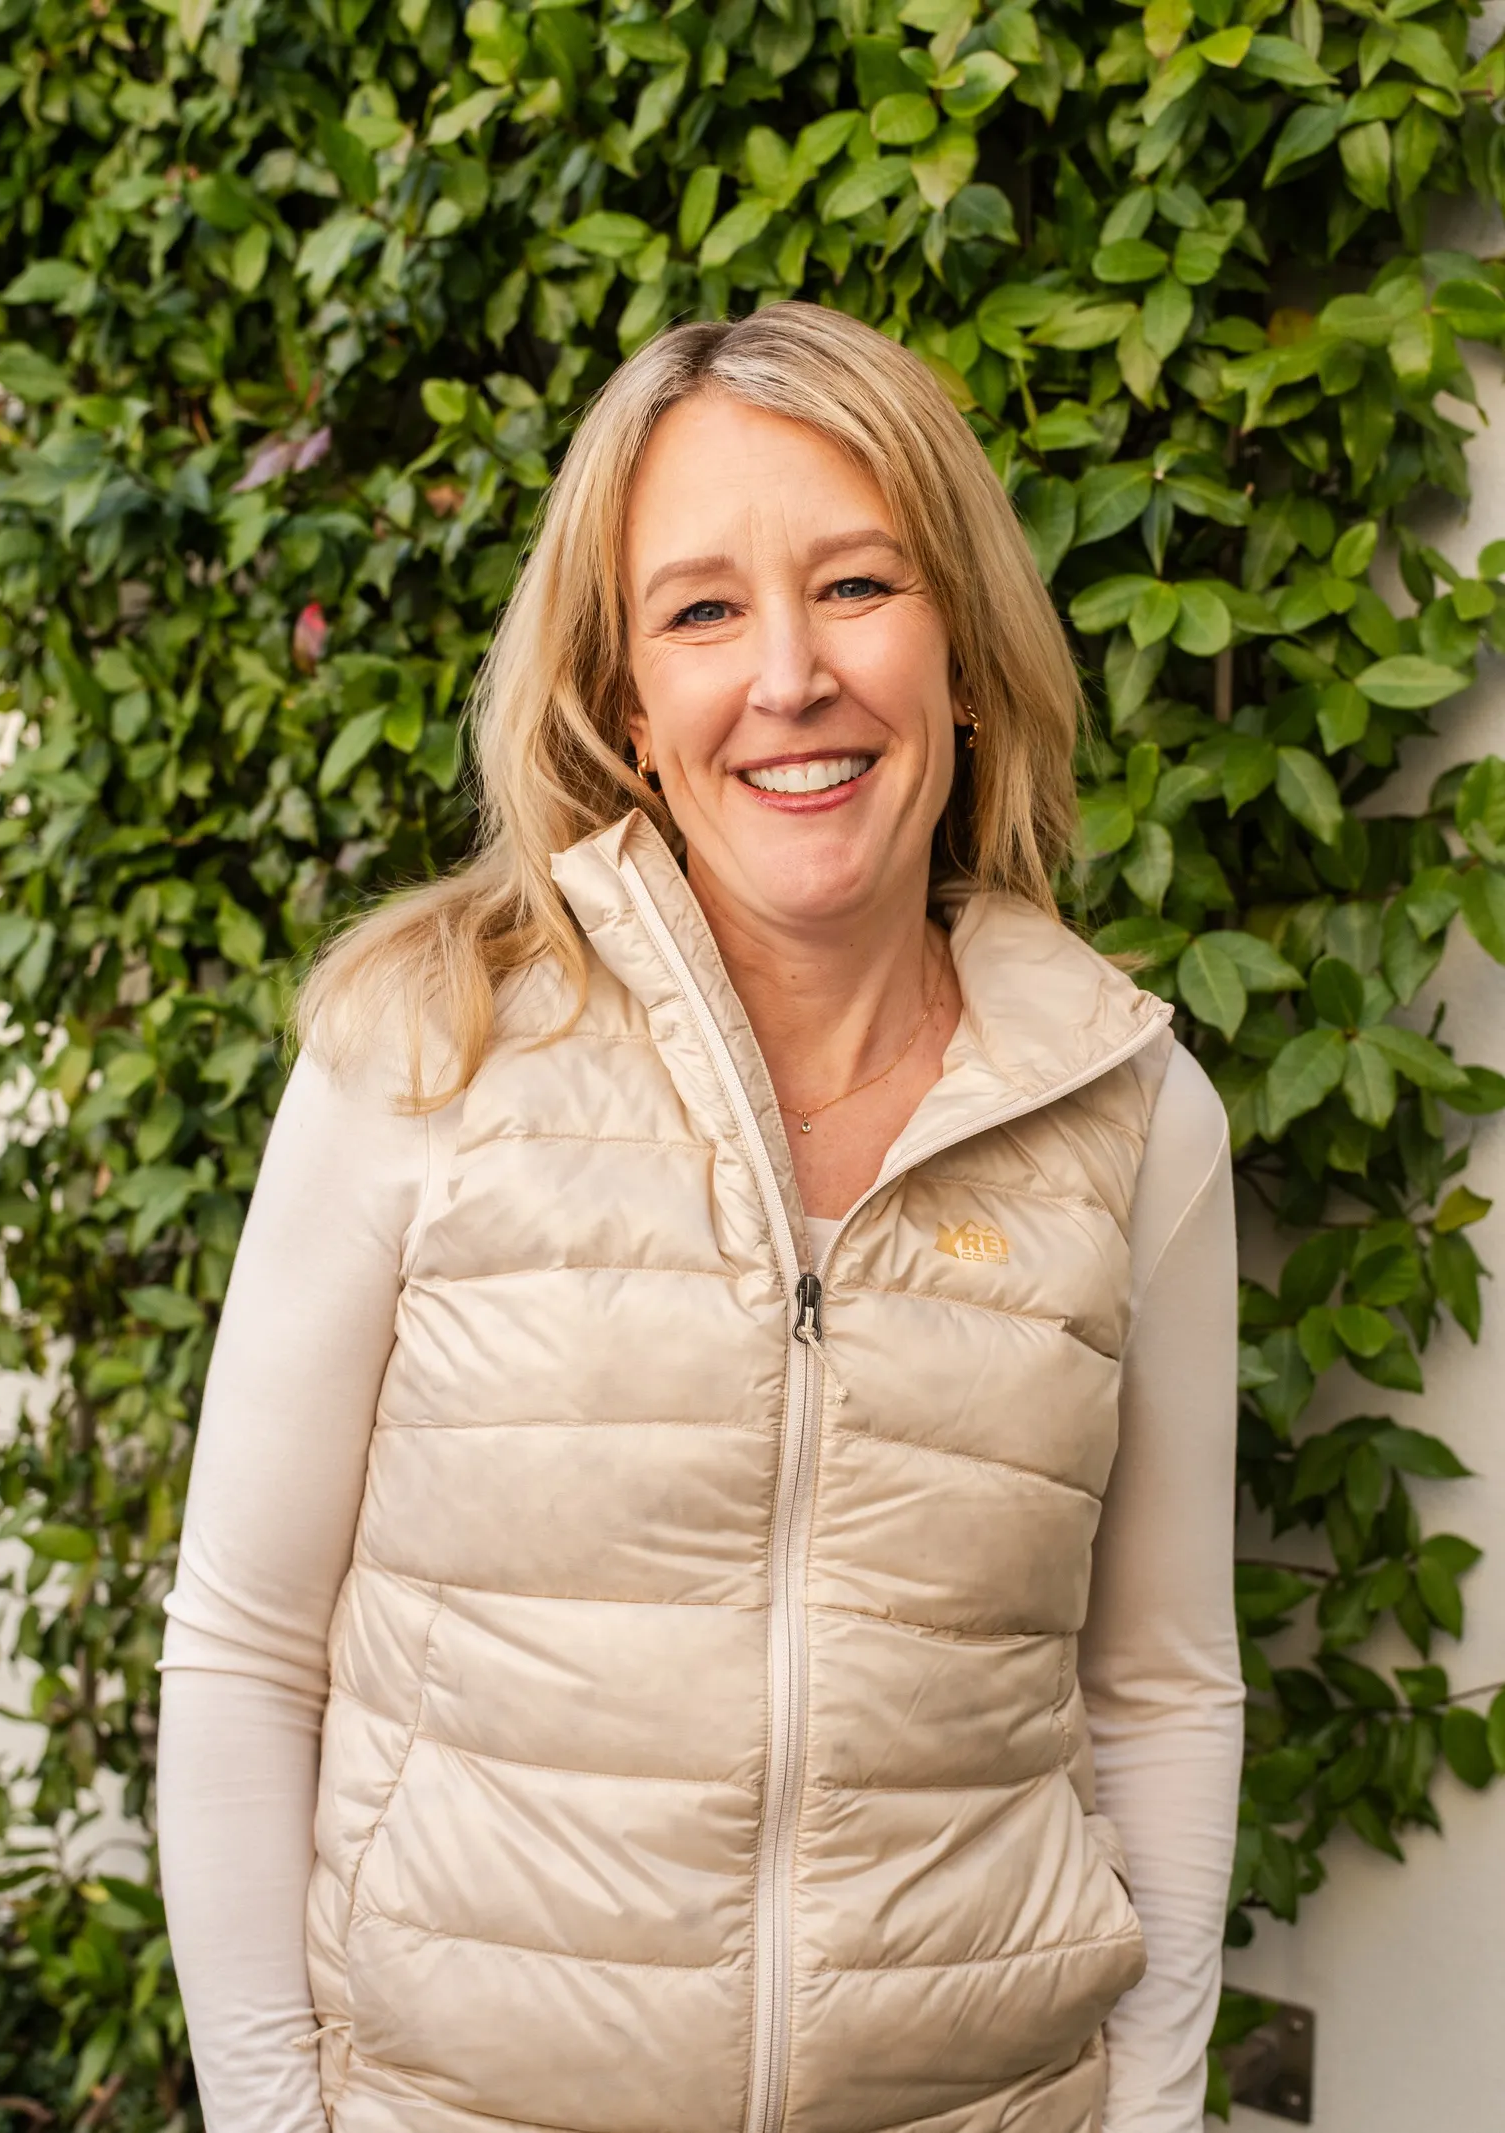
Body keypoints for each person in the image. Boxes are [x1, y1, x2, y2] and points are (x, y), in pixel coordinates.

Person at [158, 302, 1243, 2133]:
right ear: (629, 707)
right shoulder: (419, 1056)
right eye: (704, 610)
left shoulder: (1135, 1120)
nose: (793, 675)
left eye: (860, 586)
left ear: (967, 654)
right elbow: (248, 1650)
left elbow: (1159, 1695)